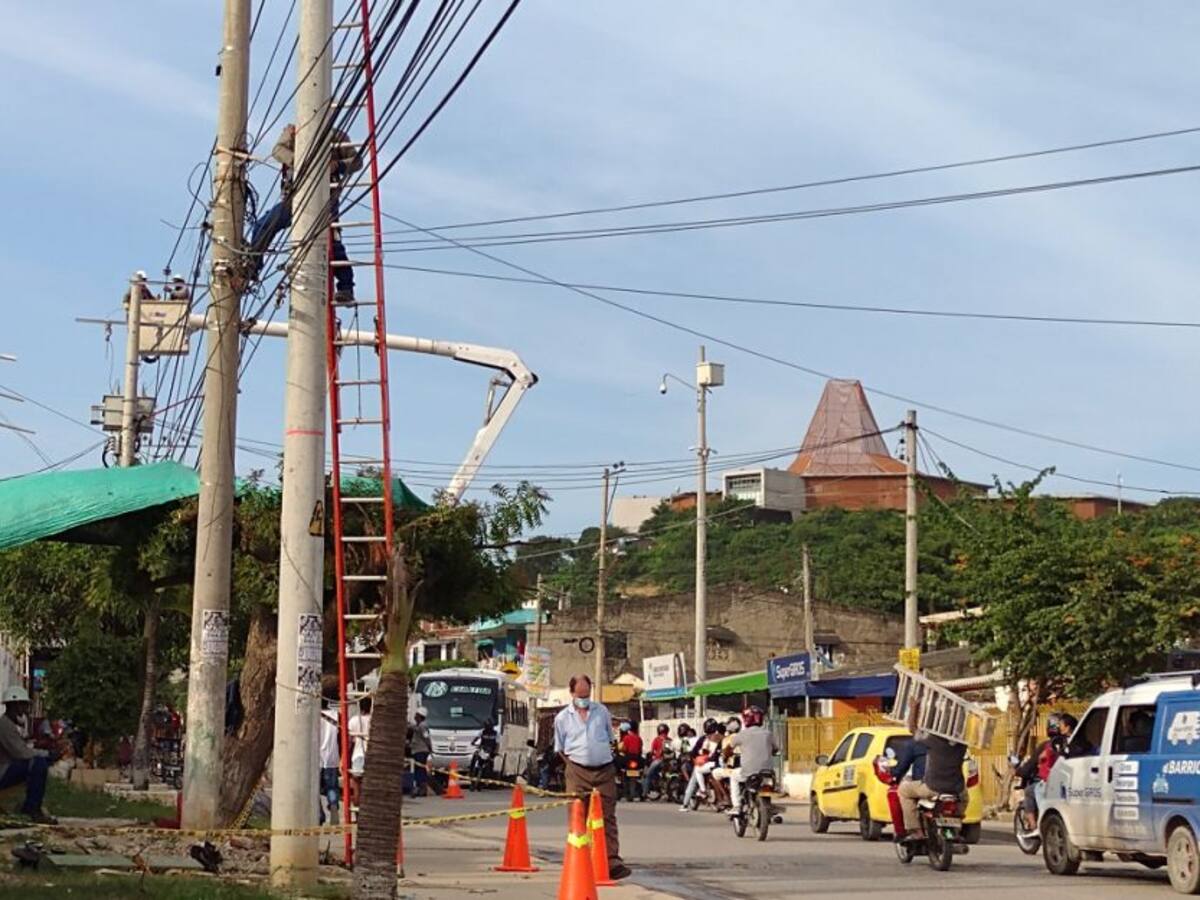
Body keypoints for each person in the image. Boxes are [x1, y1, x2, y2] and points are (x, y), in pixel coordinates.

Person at [247, 124, 361, 302]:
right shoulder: (296, 131)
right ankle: (252, 267)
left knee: (332, 241)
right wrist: (298, 161)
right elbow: (278, 151)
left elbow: (356, 162)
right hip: (296, 197)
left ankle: (346, 287)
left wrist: (336, 166)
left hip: (325, 197)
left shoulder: (338, 136)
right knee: (265, 224)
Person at [553, 674, 629, 880]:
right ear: (572, 694)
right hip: (577, 770)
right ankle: (580, 859)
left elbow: (609, 739)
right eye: (580, 695)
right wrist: (573, 765)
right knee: (578, 814)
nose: (584, 699)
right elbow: (560, 748)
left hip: (604, 770)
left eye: (587, 694)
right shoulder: (562, 718)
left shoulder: (601, 711)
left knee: (607, 815)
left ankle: (612, 860)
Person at [895, 700, 966, 842]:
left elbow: (913, 729)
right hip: (956, 788)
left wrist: (914, 707)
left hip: (932, 787)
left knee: (903, 790)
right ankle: (956, 826)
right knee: (964, 799)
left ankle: (915, 830)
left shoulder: (932, 740)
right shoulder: (962, 744)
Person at [0, 687, 56, 824]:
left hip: (6, 767)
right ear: (15, 705)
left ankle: (32, 806)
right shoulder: (4, 725)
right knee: (38, 764)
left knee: (37, 762)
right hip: (3, 770)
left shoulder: (9, 724)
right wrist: (47, 754)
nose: (25, 709)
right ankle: (32, 808)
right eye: (24, 705)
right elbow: (21, 753)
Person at [727, 706, 778, 817]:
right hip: (767, 771)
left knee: (733, 777)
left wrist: (726, 754)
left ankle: (736, 805)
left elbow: (728, 749)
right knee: (767, 784)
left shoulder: (741, 734)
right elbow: (776, 749)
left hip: (747, 771)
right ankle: (768, 806)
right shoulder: (768, 733)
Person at [680, 718, 723, 812]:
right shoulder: (721, 738)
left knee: (695, 776)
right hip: (716, 764)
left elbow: (694, 752)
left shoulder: (704, 739)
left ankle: (686, 803)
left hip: (707, 764)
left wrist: (698, 758)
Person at [317, 704, 340, 826]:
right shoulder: (336, 715)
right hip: (332, 757)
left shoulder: (313, 714)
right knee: (331, 787)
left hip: (316, 758)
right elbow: (340, 737)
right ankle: (333, 804)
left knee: (314, 789)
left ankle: (319, 814)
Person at [642, 723, 672, 797]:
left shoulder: (657, 739)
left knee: (647, 775)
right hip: (668, 761)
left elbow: (652, 751)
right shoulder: (669, 740)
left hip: (658, 760)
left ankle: (644, 793)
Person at [617, 721, 645, 801]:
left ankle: (626, 792)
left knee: (623, 772)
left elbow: (624, 749)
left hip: (628, 758)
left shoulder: (626, 738)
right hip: (637, 759)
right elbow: (640, 750)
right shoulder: (638, 738)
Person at [408, 707, 432, 797]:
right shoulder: (419, 725)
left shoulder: (423, 726)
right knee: (419, 769)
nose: (415, 716)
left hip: (421, 751)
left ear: (420, 716)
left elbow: (426, 738)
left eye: (416, 715)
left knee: (420, 770)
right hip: (417, 750)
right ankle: (420, 787)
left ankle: (422, 788)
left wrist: (430, 748)